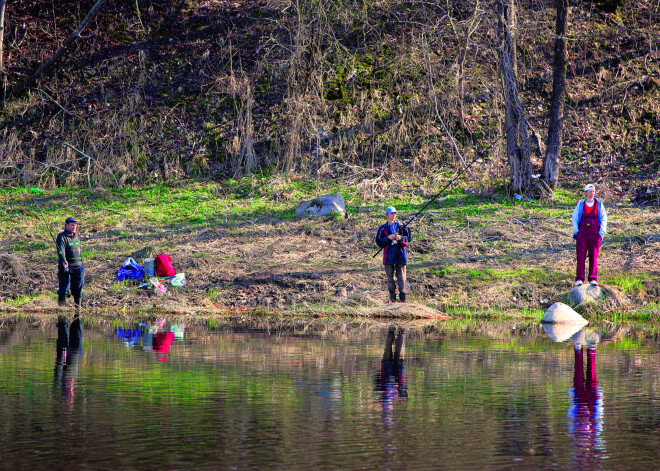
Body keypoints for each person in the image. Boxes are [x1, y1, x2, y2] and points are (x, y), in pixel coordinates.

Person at [571, 184, 607, 286]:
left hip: (595, 234)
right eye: (590, 191)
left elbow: (604, 219)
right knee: (581, 256)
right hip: (582, 234)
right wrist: (576, 231)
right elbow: (574, 218)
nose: (592, 193)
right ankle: (579, 279)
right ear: (586, 192)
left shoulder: (599, 204)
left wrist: (601, 233)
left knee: (593, 256)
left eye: (593, 191)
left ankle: (592, 278)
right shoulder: (581, 204)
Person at [375, 206, 412, 302]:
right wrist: (388, 238)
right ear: (386, 215)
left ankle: (403, 298)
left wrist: (400, 239)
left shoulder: (403, 226)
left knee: (402, 277)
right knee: (390, 278)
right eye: (391, 213)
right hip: (388, 256)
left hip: (401, 255)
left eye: (395, 213)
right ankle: (392, 298)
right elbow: (379, 242)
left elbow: (408, 239)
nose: (393, 215)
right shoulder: (382, 229)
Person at [56, 217, 85, 307]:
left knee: (78, 289)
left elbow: (80, 252)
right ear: (67, 225)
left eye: (75, 225)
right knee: (64, 289)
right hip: (67, 267)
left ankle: (78, 308)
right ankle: (61, 309)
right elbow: (61, 250)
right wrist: (64, 262)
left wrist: (82, 263)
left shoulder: (76, 237)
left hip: (78, 267)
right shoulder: (62, 237)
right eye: (72, 225)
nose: (74, 227)